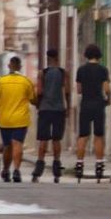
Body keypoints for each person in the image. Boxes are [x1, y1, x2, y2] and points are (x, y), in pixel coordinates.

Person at [0, 57, 36, 183]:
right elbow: (33, 99)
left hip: (5, 119)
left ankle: (5, 169)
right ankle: (16, 170)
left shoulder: (0, 81)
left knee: (7, 146)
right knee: (18, 144)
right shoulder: (26, 82)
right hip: (21, 119)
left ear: (9, 66)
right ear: (20, 67)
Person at [32, 48, 71, 183]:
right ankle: (56, 168)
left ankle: (39, 168)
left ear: (47, 59)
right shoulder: (63, 73)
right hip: (59, 109)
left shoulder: (42, 73)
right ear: (57, 58)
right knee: (56, 139)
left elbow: (39, 92)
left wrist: (37, 105)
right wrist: (68, 107)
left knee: (43, 139)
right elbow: (67, 91)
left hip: (45, 109)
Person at [75, 44, 111, 183]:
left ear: (86, 55)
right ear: (99, 55)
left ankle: (79, 163)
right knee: (98, 135)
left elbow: (78, 89)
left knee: (83, 136)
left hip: (85, 104)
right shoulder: (103, 70)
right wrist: (108, 99)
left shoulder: (81, 70)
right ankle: (99, 163)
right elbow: (106, 88)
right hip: (98, 104)